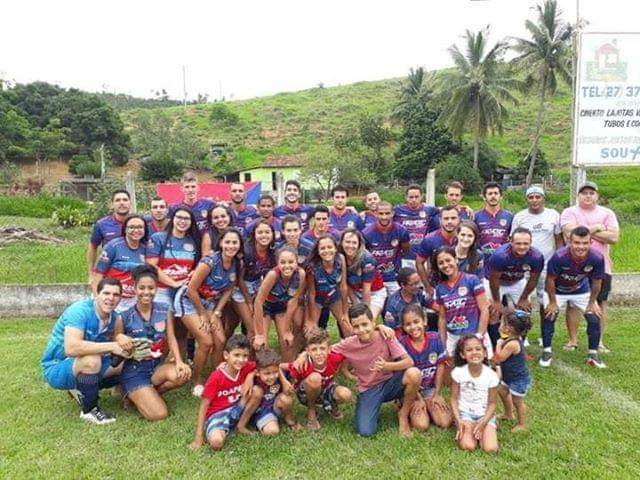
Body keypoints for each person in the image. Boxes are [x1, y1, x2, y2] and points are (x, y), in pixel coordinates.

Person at [41, 278, 128, 424]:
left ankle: (81, 389)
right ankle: (89, 410)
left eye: (116, 295)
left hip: (82, 364)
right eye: (106, 293)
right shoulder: (80, 311)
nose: (111, 298)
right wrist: (112, 345)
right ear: (97, 294)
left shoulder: (115, 317)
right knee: (92, 360)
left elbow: (116, 351)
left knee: (128, 363)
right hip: (57, 366)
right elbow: (72, 348)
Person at [330, 303, 421, 437]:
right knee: (365, 431)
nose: (361, 330)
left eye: (365, 324)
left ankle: (403, 414)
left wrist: (387, 366)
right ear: (351, 327)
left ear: (373, 323)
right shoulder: (348, 344)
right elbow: (324, 350)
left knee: (414, 374)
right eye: (356, 326)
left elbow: (409, 362)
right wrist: (303, 356)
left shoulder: (386, 335)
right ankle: (377, 405)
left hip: (391, 382)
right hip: (369, 389)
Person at [114, 265, 191, 421]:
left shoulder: (164, 310)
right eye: (142, 288)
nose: (146, 292)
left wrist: (179, 361)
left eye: (151, 288)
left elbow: (171, 337)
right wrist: (119, 337)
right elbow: (116, 344)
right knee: (159, 414)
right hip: (135, 371)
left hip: (156, 366)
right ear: (135, 288)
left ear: (156, 289)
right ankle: (132, 392)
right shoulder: (124, 316)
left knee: (182, 375)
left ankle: (149, 393)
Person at [174, 228, 243, 396]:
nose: (231, 246)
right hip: (189, 301)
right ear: (220, 243)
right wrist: (203, 314)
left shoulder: (237, 264)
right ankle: (196, 381)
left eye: (235, 242)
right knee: (206, 342)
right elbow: (191, 290)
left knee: (220, 341)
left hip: (210, 304)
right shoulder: (209, 262)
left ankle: (218, 377)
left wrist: (216, 312)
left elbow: (229, 289)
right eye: (227, 242)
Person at [560, 181, 619, 353]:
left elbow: (614, 238)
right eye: (584, 193)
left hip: (601, 265)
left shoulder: (607, 213)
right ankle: (573, 340)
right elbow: (570, 234)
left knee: (600, 302)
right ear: (578, 195)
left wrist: (583, 233)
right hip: (574, 265)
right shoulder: (569, 212)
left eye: (591, 193)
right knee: (573, 303)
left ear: (597, 196)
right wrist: (596, 229)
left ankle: (598, 341)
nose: (588, 196)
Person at [541, 226, 607, 368]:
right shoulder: (559, 256)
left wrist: (592, 302)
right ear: (570, 242)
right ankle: (546, 351)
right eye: (577, 243)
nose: (581, 247)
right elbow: (550, 280)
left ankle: (593, 353)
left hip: (580, 289)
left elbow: (597, 282)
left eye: (585, 243)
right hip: (556, 291)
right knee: (549, 315)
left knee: (594, 316)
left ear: (591, 243)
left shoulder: (597, 258)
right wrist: (552, 302)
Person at [189, 334, 255, 451]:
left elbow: (261, 366)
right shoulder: (216, 377)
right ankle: (222, 429)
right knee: (216, 443)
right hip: (218, 414)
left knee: (256, 391)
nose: (241, 360)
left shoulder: (246, 367)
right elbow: (204, 406)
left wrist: (250, 376)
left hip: (239, 409)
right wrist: (198, 437)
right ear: (226, 355)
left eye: (245, 356)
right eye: (236, 355)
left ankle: (240, 425)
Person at [511, 186, 563, 328]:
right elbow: (512, 241)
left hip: (546, 265)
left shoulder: (553, 215)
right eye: (531, 197)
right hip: (523, 265)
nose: (534, 200)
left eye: (538, 197)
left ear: (543, 199)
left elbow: (559, 239)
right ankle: (522, 332)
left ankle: (544, 334)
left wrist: (558, 260)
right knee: (522, 299)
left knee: (545, 300)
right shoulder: (519, 217)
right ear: (526, 200)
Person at [281, 328, 353, 430]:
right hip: (306, 393)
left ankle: (331, 405)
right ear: (308, 351)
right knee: (315, 378)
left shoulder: (334, 357)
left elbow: (351, 344)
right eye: (314, 349)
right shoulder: (302, 364)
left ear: (329, 349)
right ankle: (311, 411)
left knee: (346, 394)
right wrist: (284, 382)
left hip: (326, 388)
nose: (319, 353)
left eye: (322, 348)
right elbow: (279, 366)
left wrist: (378, 327)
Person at [485, 228, 544, 347]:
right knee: (493, 312)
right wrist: (496, 301)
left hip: (517, 281)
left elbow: (533, 279)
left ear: (531, 242)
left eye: (525, 243)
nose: (522, 247)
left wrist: (524, 298)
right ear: (511, 241)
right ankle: (496, 345)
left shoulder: (537, 257)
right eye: (518, 243)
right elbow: (494, 280)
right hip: (495, 282)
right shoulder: (500, 256)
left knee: (525, 311)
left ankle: (519, 345)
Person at [398, 304, 453, 430]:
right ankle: (403, 405)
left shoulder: (435, 338)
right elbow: (403, 373)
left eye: (416, 321)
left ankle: (430, 404)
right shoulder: (402, 343)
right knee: (421, 425)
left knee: (445, 422)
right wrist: (418, 398)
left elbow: (440, 367)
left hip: (429, 389)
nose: (413, 327)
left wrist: (437, 394)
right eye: (408, 324)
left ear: (424, 321)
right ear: (403, 327)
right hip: (412, 391)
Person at [431, 247, 491, 358]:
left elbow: (484, 309)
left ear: (456, 259)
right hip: (453, 337)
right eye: (441, 263)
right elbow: (442, 318)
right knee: (452, 371)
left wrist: (479, 336)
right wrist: (443, 344)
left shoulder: (472, 280)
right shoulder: (440, 288)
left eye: (448, 260)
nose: (445, 265)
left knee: (483, 370)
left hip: (474, 333)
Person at [253, 246, 306, 360]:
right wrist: (259, 333)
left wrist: (287, 330)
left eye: (291, 262)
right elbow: (258, 302)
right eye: (283, 262)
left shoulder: (301, 274)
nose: (287, 266)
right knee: (262, 345)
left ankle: (287, 373)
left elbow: (293, 301)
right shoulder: (273, 275)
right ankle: (263, 374)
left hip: (281, 306)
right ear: (277, 263)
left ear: (297, 262)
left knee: (286, 341)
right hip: (265, 307)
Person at [231, 219, 276, 349]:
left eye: (267, 232)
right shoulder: (247, 251)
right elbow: (239, 280)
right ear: (254, 234)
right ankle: (249, 361)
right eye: (260, 232)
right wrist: (250, 301)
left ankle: (253, 358)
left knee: (257, 324)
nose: (264, 235)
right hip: (241, 288)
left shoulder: (272, 251)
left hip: (257, 285)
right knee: (252, 327)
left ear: (272, 234)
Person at [450, 335, 499, 453]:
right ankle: (469, 428)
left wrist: (483, 422)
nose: (474, 352)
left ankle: (490, 426)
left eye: (478, 349)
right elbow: (453, 399)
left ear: (485, 352)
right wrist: (458, 420)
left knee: (490, 448)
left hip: (484, 415)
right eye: (469, 350)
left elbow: (492, 404)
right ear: (462, 355)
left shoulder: (491, 375)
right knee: (468, 446)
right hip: (465, 414)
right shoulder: (458, 372)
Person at [93, 214, 148, 313]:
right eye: (131, 227)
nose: (136, 230)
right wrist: (98, 300)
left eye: (140, 227)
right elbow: (98, 274)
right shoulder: (113, 246)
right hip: (111, 297)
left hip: (134, 299)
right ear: (125, 229)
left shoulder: (147, 249)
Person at [146, 207, 200, 307]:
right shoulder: (158, 238)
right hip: (162, 289)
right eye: (179, 217)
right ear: (172, 219)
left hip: (185, 289)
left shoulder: (194, 241)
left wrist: (194, 272)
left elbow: (198, 265)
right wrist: (173, 283)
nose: (182, 221)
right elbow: (151, 266)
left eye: (187, 218)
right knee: (165, 321)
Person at [236, 349, 298, 435]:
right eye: (267, 373)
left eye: (275, 372)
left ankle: (290, 421)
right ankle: (242, 425)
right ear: (257, 372)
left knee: (286, 399)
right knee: (273, 431)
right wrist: (251, 376)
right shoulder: (253, 379)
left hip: (274, 406)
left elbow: (295, 366)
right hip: (260, 411)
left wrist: (285, 381)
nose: (272, 377)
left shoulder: (281, 374)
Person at [493, 309, 532, 432]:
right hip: (509, 376)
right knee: (502, 391)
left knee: (518, 401)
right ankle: (508, 414)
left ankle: (522, 424)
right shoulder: (510, 338)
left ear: (507, 328)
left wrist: (498, 344)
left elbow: (499, 358)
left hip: (518, 379)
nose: (499, 324)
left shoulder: (512, 344)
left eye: (502, 322)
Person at [305, 235, 351, 337]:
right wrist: (312, 319)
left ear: (335, 248)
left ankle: (348, 349)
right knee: (312, 332)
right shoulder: (312, 267)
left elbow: (343, 286)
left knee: (347, 327)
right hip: (317, 300)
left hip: (334, 297)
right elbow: (311, 294)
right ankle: (313, 350)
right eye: (322, 248)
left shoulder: (341, 259)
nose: (326, 251)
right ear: (318, 251)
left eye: (329, 247)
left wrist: (345, 313)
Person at [363, 201, 411, 296]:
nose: (384, 217)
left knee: (398, 306)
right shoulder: (366, 233)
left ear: (392, 213)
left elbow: (405, 250)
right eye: (381, 213)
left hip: (393, 277)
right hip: (374, 278)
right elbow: (363, 256)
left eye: (387, 213)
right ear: (375, 214)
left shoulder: (401, 231)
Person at [339, 228, 387, 320]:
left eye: (354, 242)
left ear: (359, 244)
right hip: (354, 291)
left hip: (374, 293)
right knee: (347, 319)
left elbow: (366, 289)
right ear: (341, 242)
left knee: (368, 321)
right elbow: (345, 283)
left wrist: (364, 312)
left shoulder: (367, 259)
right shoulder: (340, 257)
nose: (350, 245)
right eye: (347, 242)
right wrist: (355, 303)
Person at [87, 189, 131, 284]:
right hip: (110, 273)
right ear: (112, 204)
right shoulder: (102, 224)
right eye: (118, 200)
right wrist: (91, 274)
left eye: (125, 200)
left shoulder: (139, 223)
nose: (122, 203)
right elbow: (92, 247)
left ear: (130, 203)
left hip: (132, 272)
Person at [416, 205, 460, 295]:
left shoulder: (465, 237)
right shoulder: (429, 239)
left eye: (453, 218)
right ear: (440, 220)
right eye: (446, 218)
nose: (450, 222)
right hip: (437, 286)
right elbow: (419, 263)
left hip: (461, 286)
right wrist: (427, 287)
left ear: (459, 219)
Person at [393, 184, 440, 265]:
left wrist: (463, 207)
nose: (414, 200)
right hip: (404, 254)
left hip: (422, 253)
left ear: (421, 197)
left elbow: (446, 209)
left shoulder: (429, 210)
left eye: (416, 197)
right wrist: (366, 212)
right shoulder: (397, 210)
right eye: (411, 197)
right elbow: (382, 212)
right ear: (406, 197)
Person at [383, 267, 434, 332]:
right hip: (403, 333)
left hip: (420, 328)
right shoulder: (393, 304)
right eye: (413, 284)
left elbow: (435, 305)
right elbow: (390, 329)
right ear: (403, 285)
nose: (417, 286)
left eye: (418, 282)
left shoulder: (419, 293)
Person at [474, 182, 513, 264]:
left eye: (496, 193)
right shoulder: (476, 216)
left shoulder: (510, 216)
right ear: (484, 197)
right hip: (482, 262)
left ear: (501, 196)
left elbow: (512, 240)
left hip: (503, 261)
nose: (493, 196)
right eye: (490, 194)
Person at [170, 171, 216, 238]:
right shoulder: (174, 208)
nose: (190, 190)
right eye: (187, 187)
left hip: (205, 243)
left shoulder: (209, 205)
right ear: (182, 189)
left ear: (198, 188)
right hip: (185, 243)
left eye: (193, 186)